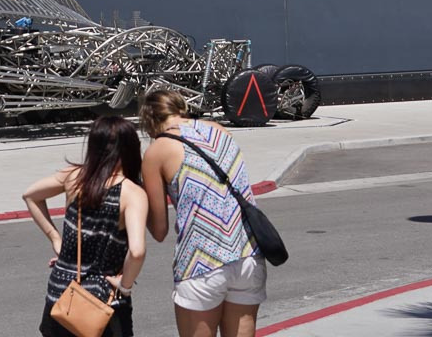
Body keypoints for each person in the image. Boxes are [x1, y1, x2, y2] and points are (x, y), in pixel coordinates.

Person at [139, 89, 265, 337]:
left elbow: (159, 230)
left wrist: (141, 194)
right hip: (248, 253)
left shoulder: (157, 151)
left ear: (149, 120)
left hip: (201, 261)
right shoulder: (220, 130)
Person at [23, 115, 149, 337]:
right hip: (101, 303)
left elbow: (31, 195)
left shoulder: (74, 177)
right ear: (130, 149)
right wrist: (125, 285)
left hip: (61, 297)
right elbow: (137, 252)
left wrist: (56, 239)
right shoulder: (132, 193)